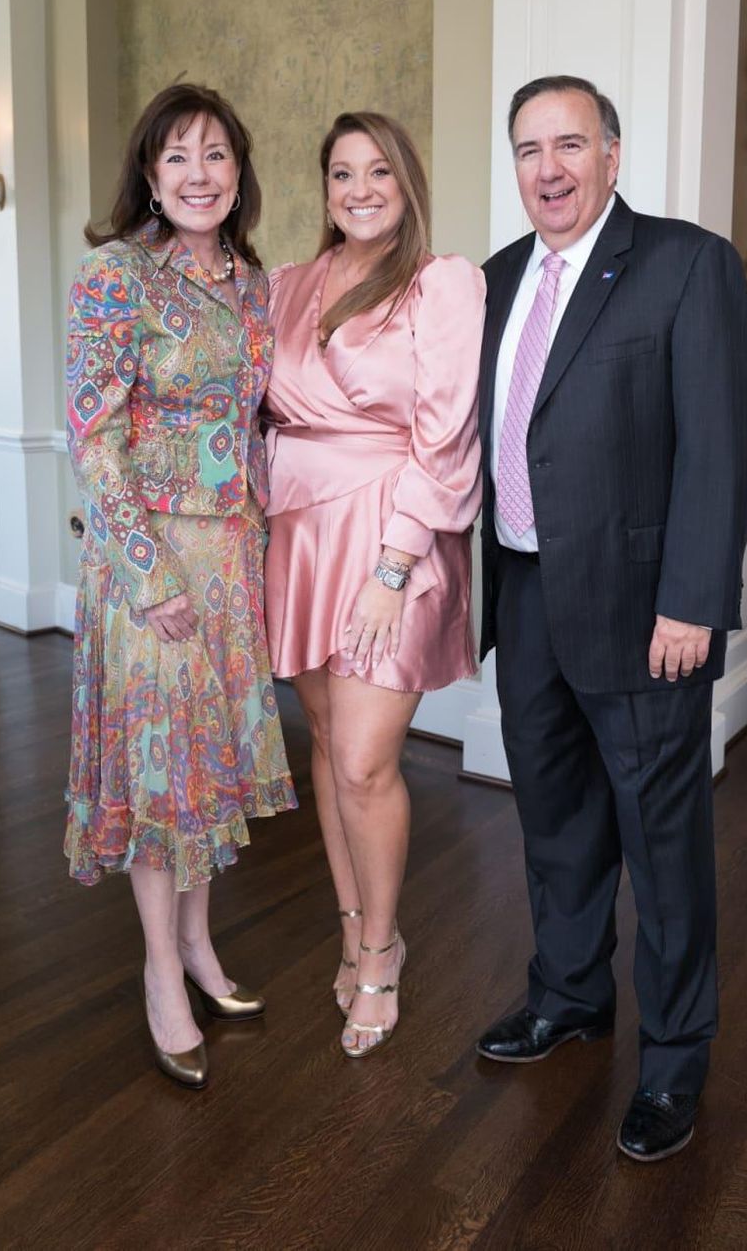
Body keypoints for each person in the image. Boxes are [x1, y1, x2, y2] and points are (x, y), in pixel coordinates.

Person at [475, 75, 747, 1160]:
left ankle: (675, 1057)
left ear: (610, 153)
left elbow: (719, 445)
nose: (545, 168)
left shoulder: (686, 265)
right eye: (525, 149)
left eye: (567, 144)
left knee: (661, 839)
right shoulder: (498, 278)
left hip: (647, 608)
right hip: (523, 590)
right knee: (553, 818)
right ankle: (568, 992)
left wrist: (691, 598)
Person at [65, 83, 297, 1090]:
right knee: (162, 775)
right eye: (177, 158)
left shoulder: (251, 281)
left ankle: (202, 946)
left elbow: (256, 422)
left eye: (215, 155)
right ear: (149, 177)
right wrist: (148, 571)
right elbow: (93, 435)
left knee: (208, 770)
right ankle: (162, 967)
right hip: (149, 561)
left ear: (238, 170)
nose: (198, 174)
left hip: (231, 556)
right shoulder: (116, 276)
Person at [263, 111, 485, 1057]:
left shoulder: (443, 284)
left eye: (379, 173)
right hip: (298, 534)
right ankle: (350, 924)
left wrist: (394, 566)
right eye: (342, 174)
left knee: (363, 760)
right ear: (324, 189)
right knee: (323, 745)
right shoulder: (282, 285)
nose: (359, 190)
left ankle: (385, 948)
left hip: (388, 539)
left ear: (408, 185)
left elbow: (447, 437)